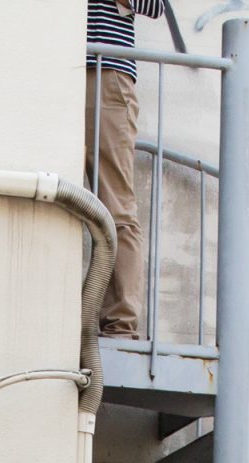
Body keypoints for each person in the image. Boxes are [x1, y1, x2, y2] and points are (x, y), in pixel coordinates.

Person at [87, 0, 164, 338]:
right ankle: (70, 316)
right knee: (54, 195)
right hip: (54, 71)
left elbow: (155, 5)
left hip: (107, 73)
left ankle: (120, 324)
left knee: (115, 203)